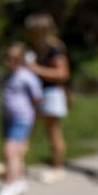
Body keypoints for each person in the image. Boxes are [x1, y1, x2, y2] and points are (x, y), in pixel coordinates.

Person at [24, 13, 71, 183]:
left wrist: (36, 69)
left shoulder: (55, 49)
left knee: (53, 132)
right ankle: (16, 164)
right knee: (26, 130)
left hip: (52, 94)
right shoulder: (33, 48)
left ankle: (58, 168)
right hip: (36, 94)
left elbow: (62, 74)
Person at [0, 43, 43, 195]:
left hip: (22, 119)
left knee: (10, 150)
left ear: (22, 59)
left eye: (15, 59)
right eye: (8, 58)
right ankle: (20, 181)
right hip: (7, 118)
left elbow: (37, 98)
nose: (11, 61)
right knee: (16, 152)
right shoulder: (8, 76)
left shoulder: (26, 76)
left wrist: (35, 116)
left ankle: (10, 184)